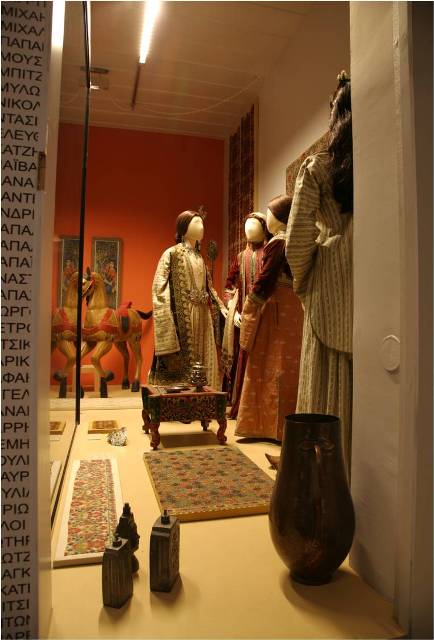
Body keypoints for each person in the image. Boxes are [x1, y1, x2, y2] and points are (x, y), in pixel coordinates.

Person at [284, 71, 353, 473]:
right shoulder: (381, 163)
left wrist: (306, 282)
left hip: (328, 286)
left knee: (323, 388)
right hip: (373, 282)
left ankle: (319, 481)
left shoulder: (319, 167)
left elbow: (297, 241)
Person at [235, 196, 303, 441]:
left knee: (270, 365)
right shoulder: (296, 241)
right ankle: (287, 426)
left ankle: (264, 426)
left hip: (275, 309)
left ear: (281, 217)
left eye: (270, 213)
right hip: (294, 309)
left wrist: (250, 306)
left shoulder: (277, 244)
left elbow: (265, 281)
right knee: (288, 366)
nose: (268, 218)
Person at [149, 210, 226, 390]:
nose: (202, 227)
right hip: (183, 315)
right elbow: (159, 287)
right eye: (196, 223)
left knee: (203, 355)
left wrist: (222, 307)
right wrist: (165, 316)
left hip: (203, 315)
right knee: (185, 357)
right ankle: (182, 396)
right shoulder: (171, 254)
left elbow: (209, 287)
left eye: (202, 223)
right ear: (184, 227)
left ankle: (203, 394)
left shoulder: (200, 258)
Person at [221, 212, 268, 418]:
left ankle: (260, 406)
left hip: (265, 315)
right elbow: (229, 286)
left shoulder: (270, 253)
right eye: (247, 226)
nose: (249, 229)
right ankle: (240, 402)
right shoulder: (240, 257)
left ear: (264, 228)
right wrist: (234, 310)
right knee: (243, 356)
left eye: (254, 226)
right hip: (242, 316)